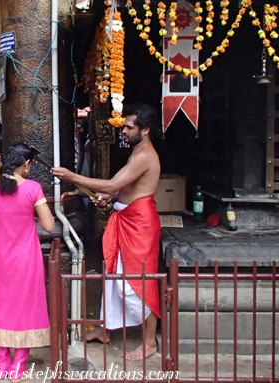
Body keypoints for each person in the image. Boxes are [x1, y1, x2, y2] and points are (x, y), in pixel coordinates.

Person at [52, 104, 162, 361]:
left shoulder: (146, 155)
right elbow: (120, 187)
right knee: (115, 277)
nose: (123, 131)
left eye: (128, 127)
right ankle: (106, 329)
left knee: (139, 282)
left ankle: (149, 342)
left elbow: (113, 182)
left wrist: (72, 176)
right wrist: (111, 197)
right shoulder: (138, 151)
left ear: (145, 130)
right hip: (128, 218)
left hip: (140, 225)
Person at [0, 143, 55, 382]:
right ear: (26, 165)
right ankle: (18, 366)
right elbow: (49, 226)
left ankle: (1, 364)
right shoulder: (32, 188)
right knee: (24, 307)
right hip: (26, 257)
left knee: (0, 306)